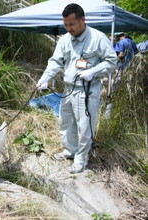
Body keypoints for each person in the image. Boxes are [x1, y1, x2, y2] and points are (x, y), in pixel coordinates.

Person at [36, 3, 117, 173]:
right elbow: (55, 61)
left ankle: (81, 159)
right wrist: (45, 77)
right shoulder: (65, 39)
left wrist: (93, 71)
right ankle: (70, 150)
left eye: (71, 24)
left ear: (82, 19)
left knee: (85, 125)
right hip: (69, 89)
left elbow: (111, 61)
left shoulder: (98, 38)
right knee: (65, 121)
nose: (68, 28)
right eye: (65, 24)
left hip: (87, 89)